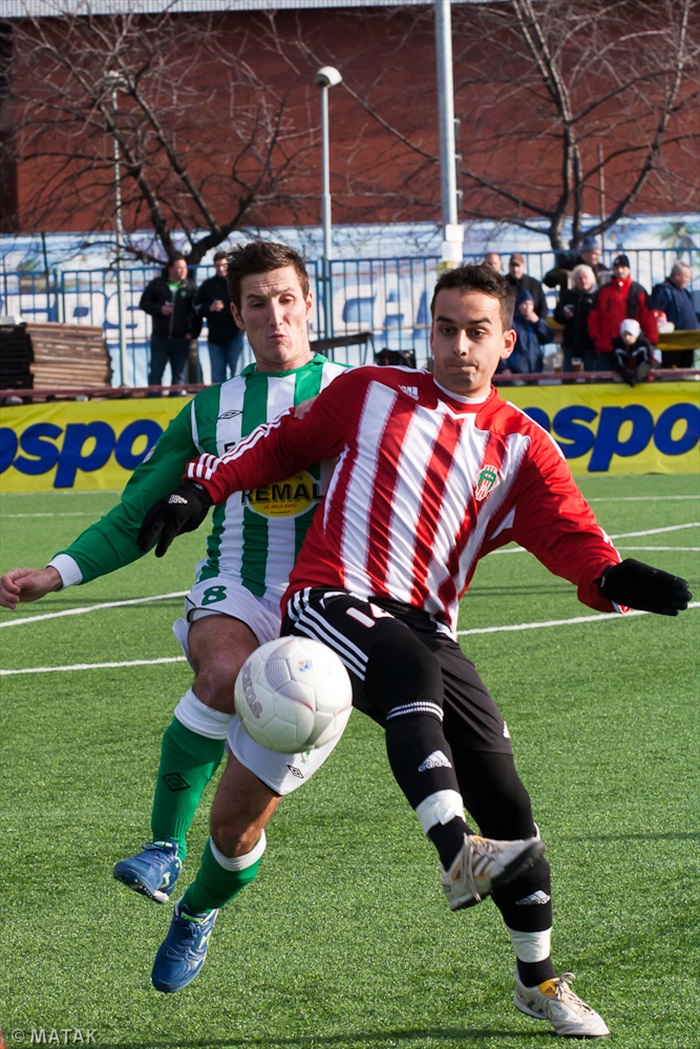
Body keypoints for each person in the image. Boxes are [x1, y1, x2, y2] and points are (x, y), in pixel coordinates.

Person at [143, 262, 690, 1034]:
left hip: (427, 621)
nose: (457, 345)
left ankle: (537, 978)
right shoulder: (370, 392)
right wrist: (200, 488)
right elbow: (278, 444)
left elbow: (570, 534)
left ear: (508, 340)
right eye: (444, 328)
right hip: (330, 596)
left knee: (506, 790)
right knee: (410, 671)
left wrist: (616, 573)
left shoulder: (522, 445)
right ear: (426, 331)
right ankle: (453, 849)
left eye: (475, 331)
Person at [0, 240, 350, 917]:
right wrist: (54, 573)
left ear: (309, 305)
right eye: (257, 303)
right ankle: (161, 846)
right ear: (238, 315)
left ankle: (198, 911)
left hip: (328, 606)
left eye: (285, 300)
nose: (274, 316)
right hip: (235, 586)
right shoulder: (206, 410)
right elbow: (139, 516)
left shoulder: (355, 393)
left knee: (237, 827)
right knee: (221, 673)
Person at [139, 254, 200, 390]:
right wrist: (160, 309)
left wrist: (193, 333)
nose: (182, 270)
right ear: (170, 269)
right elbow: (144, 303)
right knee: (156, 373)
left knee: (178, 376)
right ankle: (153, 404)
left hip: (181, 338)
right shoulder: (157, 284)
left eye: (184, 267)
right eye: (178, 267)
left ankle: (176, 404)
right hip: (160, 337)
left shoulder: (190, 288)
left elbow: (197, 313)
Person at [587, 254, 658, 370]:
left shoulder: (638, 291)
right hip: (607, 347)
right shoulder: (603, 292)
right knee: (605, 381)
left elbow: (648, 317)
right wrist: (596, 338)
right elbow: (593, 317)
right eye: (616, 268)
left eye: (623, 267)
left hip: (632, 348)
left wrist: (651, 340)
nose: (620, 270)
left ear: (629, 269)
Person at [194, 251, 246, 382]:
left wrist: (244, 325)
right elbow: (196, 307)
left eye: (224, 265)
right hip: (215, 338)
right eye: (217, 265)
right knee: (217, 377)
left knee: (238, 375)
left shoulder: (238, 284)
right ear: (214, 266)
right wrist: (209, 307)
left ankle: (238, 402)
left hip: (235, 334)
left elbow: (247, 304)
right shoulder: (208, 285)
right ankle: (220, 402)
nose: (221, 268)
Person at [650, 261, 698, 368]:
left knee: (686, 368)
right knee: (672, 370)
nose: (688, 280)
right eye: (686, 276)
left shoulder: (684, 292)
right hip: (673, 342)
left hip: (688, 340)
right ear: (677, 276)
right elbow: (656, 315)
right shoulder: (663, 290)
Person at [553, 263, 598, 371]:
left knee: (591, 379)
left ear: (591, 279)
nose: (582, 280)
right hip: (570, 344)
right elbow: (557, 315)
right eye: (579, 278)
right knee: (568, 380)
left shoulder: (597, 296)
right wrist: (564, 314)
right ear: (574, 280)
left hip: (589, 345)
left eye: (585, 277)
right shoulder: (568, 295)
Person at [544, 236, 609, 296]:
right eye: (594, 254)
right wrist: (563, 275)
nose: (597, 257)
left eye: (598, 254)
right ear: (584, 253)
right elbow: (548, 281)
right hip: (570, 303)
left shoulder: (601, 269)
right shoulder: (570, 265)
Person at [506, 287, 551, 374]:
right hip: (516, 369)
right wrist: (504, 368)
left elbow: (548, 337)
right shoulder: (512, 323)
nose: (528, 307)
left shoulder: (535, 323)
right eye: (524, 304)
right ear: (518, 306)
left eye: (530, 304)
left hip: (535, 368)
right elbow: (503, 345)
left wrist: (538, 322)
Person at [611, 318, 654, 386]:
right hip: (626, 380)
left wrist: (637, 375)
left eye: (630, 334)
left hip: (644, 379)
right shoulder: (618, 345)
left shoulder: (643, 345)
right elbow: (618, 364)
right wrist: (628, 375)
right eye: (624, 335)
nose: (627, 338)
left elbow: (649, 362)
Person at [505, 253, 548, 318]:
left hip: (532, 325)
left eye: (518, 266)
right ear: (509, 266)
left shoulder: (534, 284)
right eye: (512, 266)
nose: (515, 269)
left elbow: (543, 308)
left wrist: (538, 323)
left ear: (523, 266)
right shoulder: (502, 284)